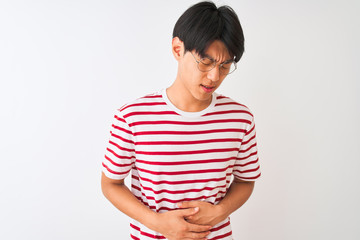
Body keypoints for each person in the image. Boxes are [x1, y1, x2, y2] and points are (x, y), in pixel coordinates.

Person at [101, 1, 261, 239]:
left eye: (225, 65)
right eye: (205, 62)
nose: (214, 76)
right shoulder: (132, 116)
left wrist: (220, 212)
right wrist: (156, 222)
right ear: (178, 49)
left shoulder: (240, 119)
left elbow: (246, 180)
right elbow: (110, 184)